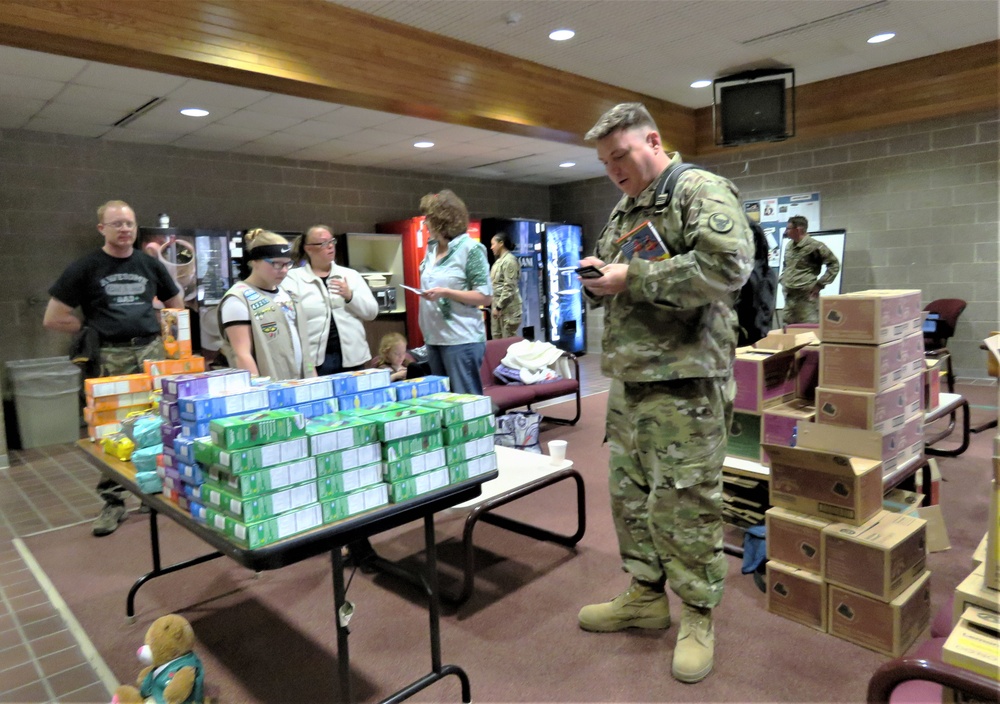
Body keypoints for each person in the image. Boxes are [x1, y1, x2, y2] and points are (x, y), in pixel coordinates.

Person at [575, 103, 753, 684]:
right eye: (604, 163)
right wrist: (601, 280)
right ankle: (646, 597)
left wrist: (636, 277)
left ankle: (698, 614)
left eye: (620, 156)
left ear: (653, 140)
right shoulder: (625, 208)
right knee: (631, 497)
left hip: (685, 385)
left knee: (685, 501)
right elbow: (620, 283)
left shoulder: (696, 189)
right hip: (630, 382)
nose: (613, 171)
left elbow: (728, 266)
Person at [44, 200, 184, 537]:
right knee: (112, 428)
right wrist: (88, 330)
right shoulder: (85, 267)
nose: (125, 229)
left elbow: (176, 305)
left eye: (130, 224)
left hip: (151, 352)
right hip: (110, 355)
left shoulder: (148, 265)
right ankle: (113, 500)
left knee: (156, 421)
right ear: (101, 229)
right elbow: (53, 317)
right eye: (117, 224)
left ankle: (151, 489)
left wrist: (171, 340)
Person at [417, 189, 492, 395]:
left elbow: (485, 296)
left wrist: (446, 292)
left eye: (428, 219)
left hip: (461, 338)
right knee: (444, 402)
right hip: (434, 338)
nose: (425, 224)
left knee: (465, 402)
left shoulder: (470, 249)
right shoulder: (431, 249)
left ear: (442, 221)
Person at [218, 229, 312, 380]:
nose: (284, 270)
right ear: (255, 261)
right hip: (270, 388)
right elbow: (242, 355)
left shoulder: (289, 294)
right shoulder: (238, 299)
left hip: (299, 384)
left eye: (288, 264)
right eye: (276, 264)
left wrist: (313, 381)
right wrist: (258, 393)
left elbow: (305, 351)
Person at [283, 225, 378, 375]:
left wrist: (350, 296)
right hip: (315, 361)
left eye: (332, 241)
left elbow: (371, 313)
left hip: (352, 358)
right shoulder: (293, 279)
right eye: (323, 243)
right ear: (308, 248)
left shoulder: (350, 275)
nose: (330, 247)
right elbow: (287, 319)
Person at [779, 215, 840, 324]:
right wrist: (783, 279)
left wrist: (820, 284)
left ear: (798, 230)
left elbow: (834, 264)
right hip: (790, 297)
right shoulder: (789, 246)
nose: (786, 231)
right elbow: (786, 265)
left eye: (788, 228)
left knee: (808, 329)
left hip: (806, 298)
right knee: (788, 329)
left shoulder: (815, 246)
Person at [489, 232, 522, 339]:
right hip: (498, 308)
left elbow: (509, 287)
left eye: (493, 244)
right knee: (497, 340)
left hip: (508, 309)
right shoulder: (499, 261)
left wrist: (498, 307)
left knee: (508, 343)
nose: (491, 247)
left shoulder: (509, 261)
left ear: (501, 243)